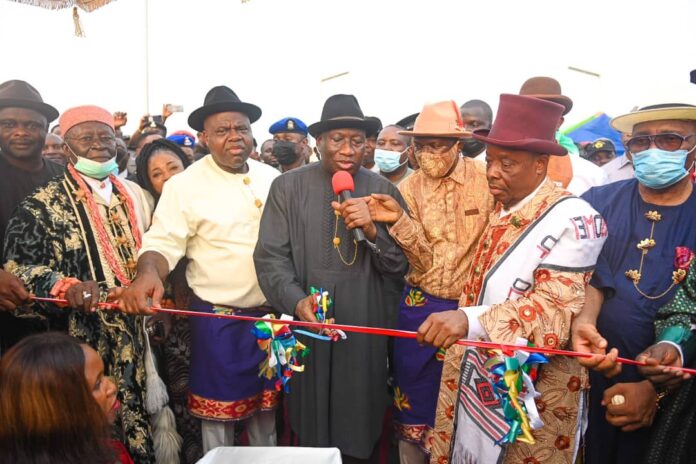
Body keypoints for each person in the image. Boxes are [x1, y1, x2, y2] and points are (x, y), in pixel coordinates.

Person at [423, 94, 606, 464]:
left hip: (533, 395)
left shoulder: (574, 220)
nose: (492, 171)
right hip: (477, 374)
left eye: (507, 163)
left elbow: (554, 313)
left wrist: (468, 319)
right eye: (490, 160)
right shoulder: (505, 206)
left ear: (541, 165)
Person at [114, 85, 281, 454]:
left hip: (272, 319)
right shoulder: (184, 186)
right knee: (218, 421)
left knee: (266, 419)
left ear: (253, 133)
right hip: (219, 321)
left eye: (241, 129)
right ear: (204, 138)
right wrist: (148, 274)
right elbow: (162, 243)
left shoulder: (274, 178)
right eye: (222, 131)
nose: (234, 137)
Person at [253, 94, 408, 462]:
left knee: (361, 418)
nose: (348, 149)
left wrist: (372, 232)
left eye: (357, 141)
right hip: (310, 323)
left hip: (365, 324)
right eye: (337, 139)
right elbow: (270, 257)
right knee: (309, 418)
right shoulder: (287, 187)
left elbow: (401, 266)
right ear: (319, 142)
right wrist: (294, 300)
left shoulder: (383, 190)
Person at [2, 105, 156, 462]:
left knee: (142, 419)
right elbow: (17, 269)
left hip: (138, 335)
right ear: (67, 148)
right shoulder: (41, 205)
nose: (99, 145)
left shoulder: (134, 195)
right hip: (78, 345)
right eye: (86, 138)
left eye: (106, 136)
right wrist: (63, 286)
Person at [366, 101, 493, 462]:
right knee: (413, 406)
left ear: (458, 144)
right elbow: (418, 257)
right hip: (419, 308)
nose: (431, 154)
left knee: (468, 409)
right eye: (423, 146)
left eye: (440, 145)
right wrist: (399, 222)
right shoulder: (408, 189)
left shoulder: (487, 180)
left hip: (470, 313)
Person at [571, 103, 696, 464]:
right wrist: (584, 322)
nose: (653, 150)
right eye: (642, 141)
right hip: (587, 374)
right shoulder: (596, 202)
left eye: (670, 139)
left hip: (675, 392)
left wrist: (654, 388)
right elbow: (583, 273)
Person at [135, 138, 201, 463]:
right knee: (188, 404)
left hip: (217, 319)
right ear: (149, 183)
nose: (169, 178)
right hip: (178, 332)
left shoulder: (208, 204)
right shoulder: (151, 222)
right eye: (157, 174)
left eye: (173, 167)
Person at [0, 332, 131, 464]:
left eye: (104, 376)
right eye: (97, 384)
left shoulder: (112, 453)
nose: (112, 387)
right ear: (59, 409)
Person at [0, 79, 63, 352]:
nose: (21, 132)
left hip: (61, 318)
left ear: (46, 130)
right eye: (8, 124)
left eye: (32, 125)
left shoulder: (64, 177)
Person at [519, 76, 608, 195]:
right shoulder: (490, 164)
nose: (533, 119)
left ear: (559, 122)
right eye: (526, 112)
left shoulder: (591, 176)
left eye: (544, 113)